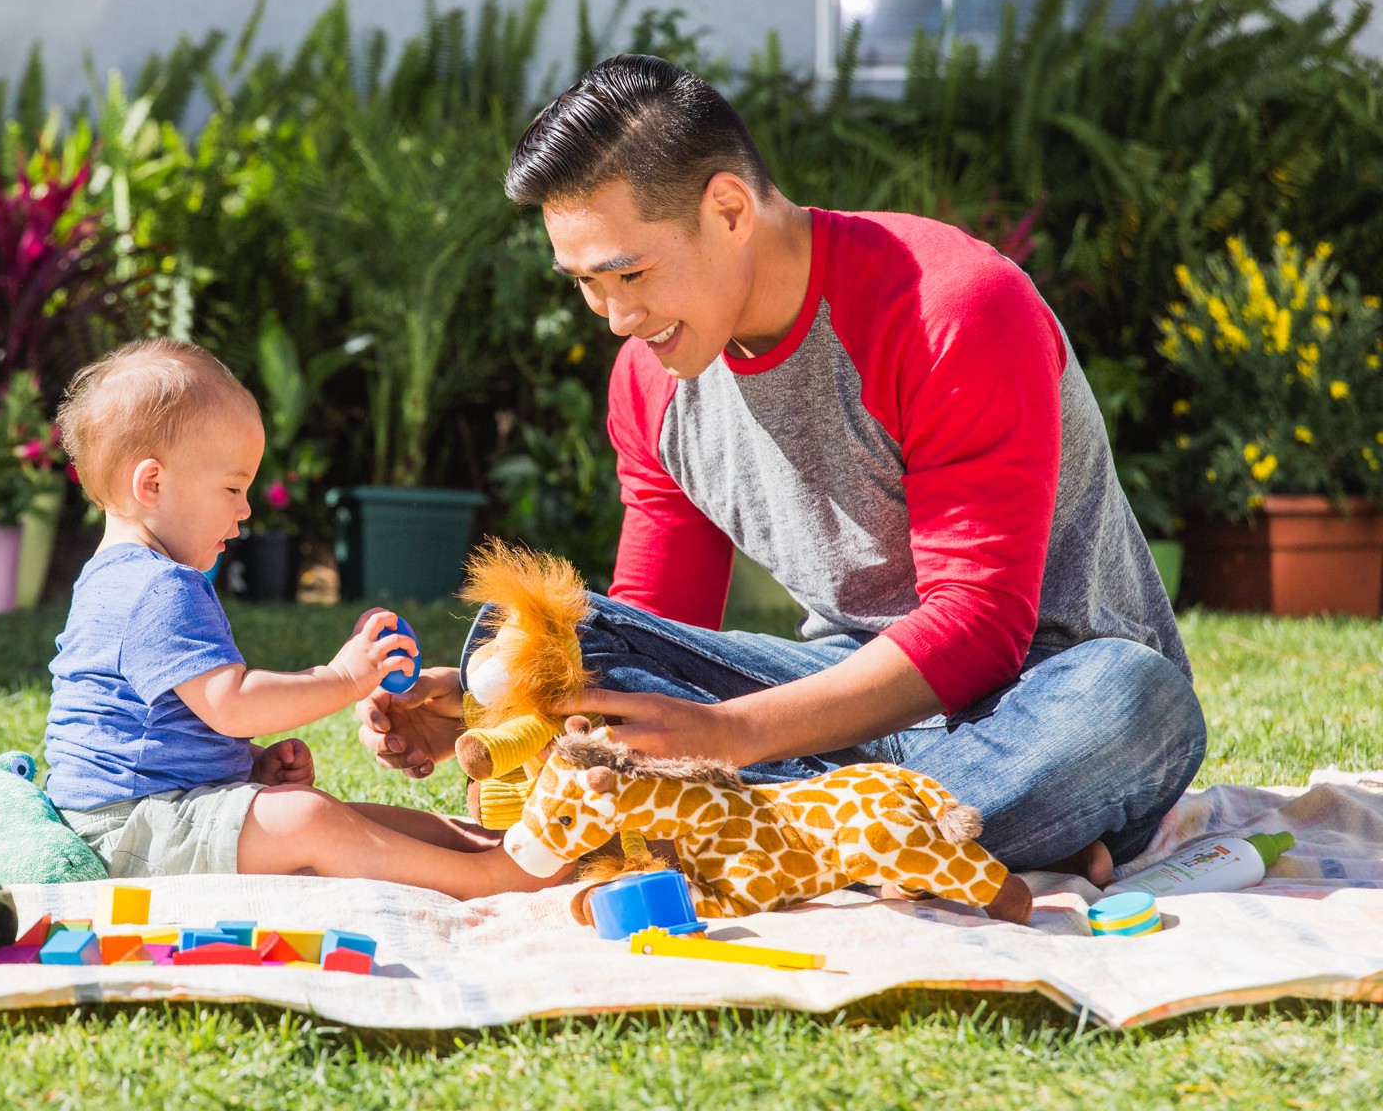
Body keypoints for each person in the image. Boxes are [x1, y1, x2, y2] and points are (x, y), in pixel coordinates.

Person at [357, 54, 1206, 884]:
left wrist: (730, 738)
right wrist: (503, 711)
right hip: (836, 703)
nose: (615, 316)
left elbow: (981, 628)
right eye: (584, 282)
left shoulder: (950, 309)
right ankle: (896, 839)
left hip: (1043, 699)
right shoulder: (650, 380)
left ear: (728, 209)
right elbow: (657, 623)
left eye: (630, 272)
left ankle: (746, 826)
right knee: (558, 639)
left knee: (1132, 696)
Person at [46, 337, 555, 899]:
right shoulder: (157, 587)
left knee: (345, 817)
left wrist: (252, 768)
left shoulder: (113, 576)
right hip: (129, 831)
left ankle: (484, 843)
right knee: (311, 821)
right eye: (233, 488)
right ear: (153, 484)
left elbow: (159, 729)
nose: (245, 510)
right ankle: (487, 876)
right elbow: (231, 704)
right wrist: (343, 678)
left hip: (150, 816)